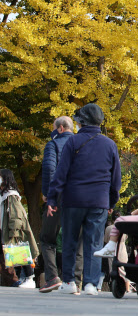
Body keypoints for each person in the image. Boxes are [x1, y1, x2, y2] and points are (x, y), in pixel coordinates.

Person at [46, 103, 121, 296]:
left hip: (73, 199)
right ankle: (90, 283)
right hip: (99, 200)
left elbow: (60, 174)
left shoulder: (72, 142)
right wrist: (111, 202)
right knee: (94, 243)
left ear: (81, 123)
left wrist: (52, 199)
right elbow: (115, 179)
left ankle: (69, 281)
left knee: (70, 240)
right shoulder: (110, 144)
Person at [39, 117, 81, 292]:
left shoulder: (53, 144)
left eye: (54, 128)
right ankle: (76, 281)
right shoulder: (82, 144)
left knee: (47, 237)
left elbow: (50, 168)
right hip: (79, 196)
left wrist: (50, 195)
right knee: (77, 240)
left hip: (60, 196)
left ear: (61, 128)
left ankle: (52, 277)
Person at [0, 170, 39, 288]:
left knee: (19, 252)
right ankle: (14, 281)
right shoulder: (4, 195)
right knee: (7, 257)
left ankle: (29, 278)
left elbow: (15, 215)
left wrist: (14, 231)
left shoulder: (10, 195)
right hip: (5, 230)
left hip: (10, 231)